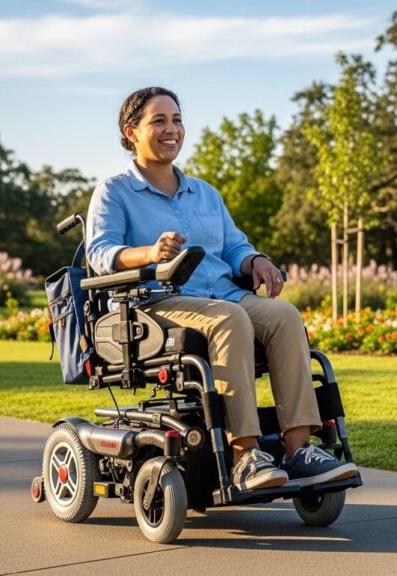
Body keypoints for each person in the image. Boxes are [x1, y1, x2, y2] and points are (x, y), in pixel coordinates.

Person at [86, 86, 356, 491]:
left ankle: (299, 450)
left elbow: (233, 246)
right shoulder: (115, 192)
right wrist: (148, 253)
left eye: (176, 119)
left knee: (284, 316)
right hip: (157, 303)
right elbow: (101, 252)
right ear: (131, 132)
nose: (171, 128)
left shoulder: (205, 193)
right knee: (230, 320)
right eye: (158, 121)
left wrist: (255, 261)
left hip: (222, 294)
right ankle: (245, 454)